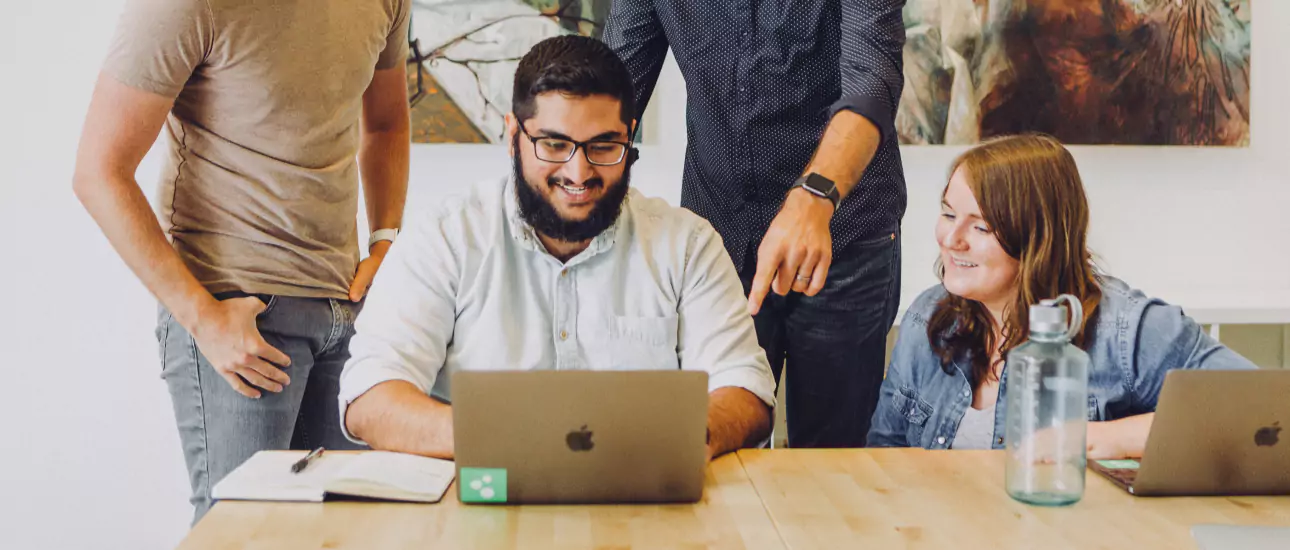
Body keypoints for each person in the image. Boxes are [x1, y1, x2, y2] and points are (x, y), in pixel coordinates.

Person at [339, 36, 776, 460]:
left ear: (629, 137)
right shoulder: (445, 238)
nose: (578, 172)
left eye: (604, 146)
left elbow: (747, 390)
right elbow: (369, 396)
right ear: (513, 134)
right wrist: (505, 442)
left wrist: (679, 438)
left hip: (644, 496)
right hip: (479, 496)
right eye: (554, 144)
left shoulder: (687, 246)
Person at [72, 0, 411, 520]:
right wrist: (203, 317)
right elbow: (99, 172)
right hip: (241, 315)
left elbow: (386, 124)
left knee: (340, 529)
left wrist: (385, 241)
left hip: (346, 309)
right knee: (240, 531)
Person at [603, 0, 908, 448]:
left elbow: (872, 81)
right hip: (719, 237)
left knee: (832, 456)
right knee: (715, 440)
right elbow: (608, 86)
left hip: (844, 234)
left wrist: (813, 198)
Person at [867, 134, 1257, 457]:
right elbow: (883, 457)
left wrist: (1103, 438)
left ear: (1038, 238)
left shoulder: (1126, 330)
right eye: (949, 214)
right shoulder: (926, 316)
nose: (951, 240)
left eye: (981, 227)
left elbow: (1257, 412)